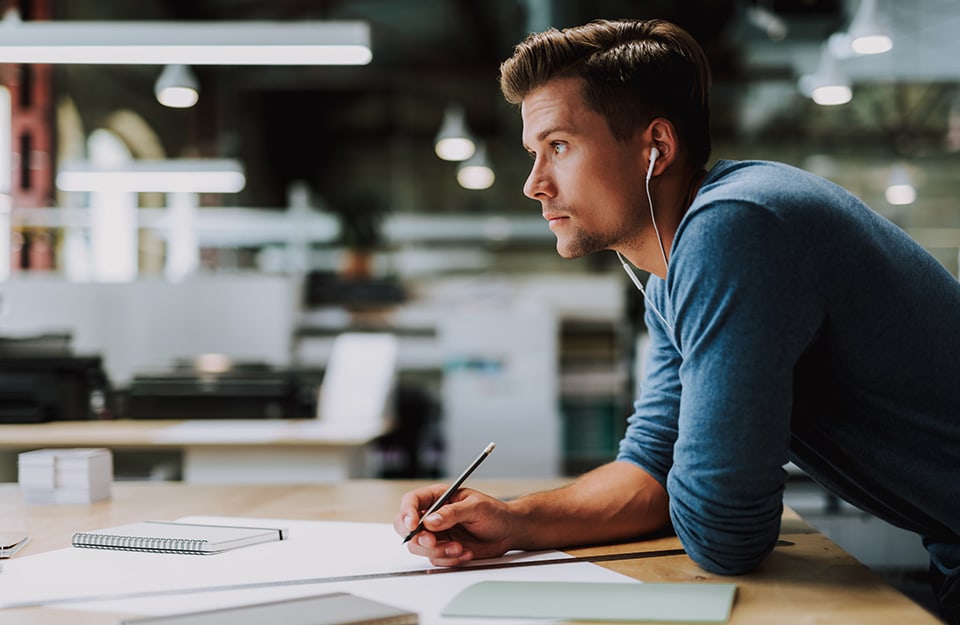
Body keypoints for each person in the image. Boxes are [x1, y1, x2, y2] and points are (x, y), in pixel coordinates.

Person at [394, 18, 960, 623]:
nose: (534, 184)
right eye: (535, 153)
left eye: (558, 146)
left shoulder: (735, 228)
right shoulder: (669, 268)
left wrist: (692, 478)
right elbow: (649, 469)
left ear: (655, 147)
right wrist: (513, 520)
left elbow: (725, 534)